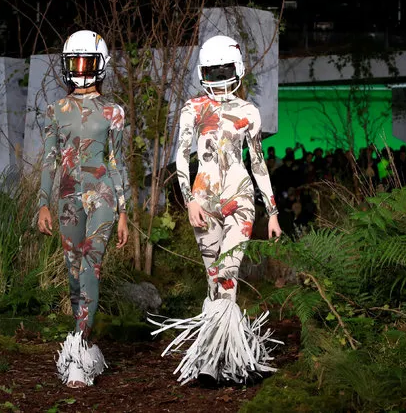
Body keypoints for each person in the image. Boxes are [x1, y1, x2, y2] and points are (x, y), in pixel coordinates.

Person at [149, 35, 282, 385]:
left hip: (240, 201)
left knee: (227, 275)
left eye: (224, 69)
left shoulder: (249, 111)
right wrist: (188, 198)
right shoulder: (191, 108)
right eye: (214, 70)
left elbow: (257, 162)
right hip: (203, 201)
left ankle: (213, 361)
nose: (220, 77)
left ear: (235, 70)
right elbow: (180, 156)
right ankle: (232, 359)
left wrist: (272, 212)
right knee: (214, 282)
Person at [37, 30, 129, 388]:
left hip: (103, 193)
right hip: (67, 196)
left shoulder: (113, 112)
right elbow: (48, 160)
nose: (79, 69)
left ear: (100, 65)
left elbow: (117, 161)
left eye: (86, 62)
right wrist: (42, 204)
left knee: (92, 259)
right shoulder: (54, 111)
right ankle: (86, 343)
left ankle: (76, 350)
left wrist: (123, 210)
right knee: (73, 272)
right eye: (73, 62)